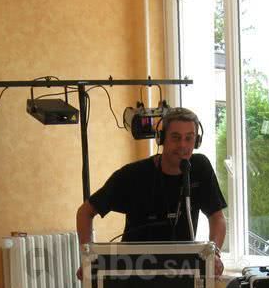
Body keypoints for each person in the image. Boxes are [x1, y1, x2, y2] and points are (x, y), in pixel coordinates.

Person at [76, 107, 227, 278]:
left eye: (189, 138)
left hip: (180, 271)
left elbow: (217, 217)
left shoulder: (200, 168)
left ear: (197, 141)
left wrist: (214, 253)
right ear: (161, 138)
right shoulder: (133, 175)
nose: (183, 145)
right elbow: (85, 212)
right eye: (175, 137)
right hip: (133, 271)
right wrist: (87, 258)